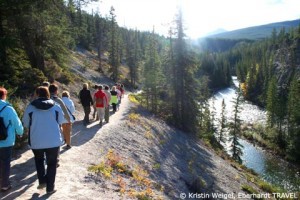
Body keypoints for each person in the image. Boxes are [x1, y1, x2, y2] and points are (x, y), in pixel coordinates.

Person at [22, 86, 64, 194]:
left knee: (39, 161)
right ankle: (50, 188)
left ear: (37, 94)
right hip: (53, 140)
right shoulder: (56, 106)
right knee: (52, 164)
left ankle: (42, 181)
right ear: (48, 93)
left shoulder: (30, 107)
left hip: (36, 140)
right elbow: (61, 121)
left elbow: (25, 123)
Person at [0, 87, 24, 192]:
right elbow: (17, 123)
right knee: (5, 163)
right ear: (4, 96)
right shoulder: (8, 108)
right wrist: (20, 132)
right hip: (6, 141)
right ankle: (4, 185)